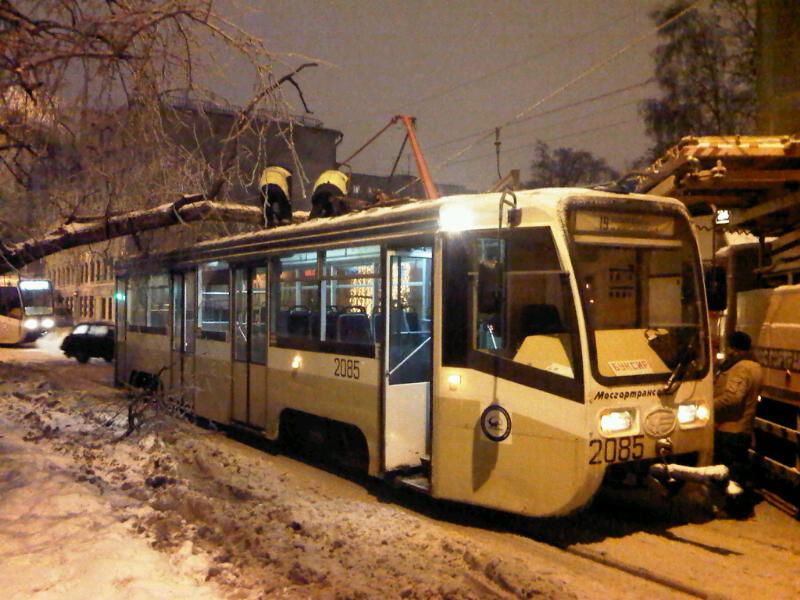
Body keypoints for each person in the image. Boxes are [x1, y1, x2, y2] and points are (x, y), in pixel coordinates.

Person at [713, 331, 762, 516]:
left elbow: (733, 398)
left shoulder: (741, 368)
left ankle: (734, 509)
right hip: (743, 428)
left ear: (734, 348)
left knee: (731, 471)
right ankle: (739, 506)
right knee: (738, 469)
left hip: (731, 427)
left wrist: (709, 405)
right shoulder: (756, 366)